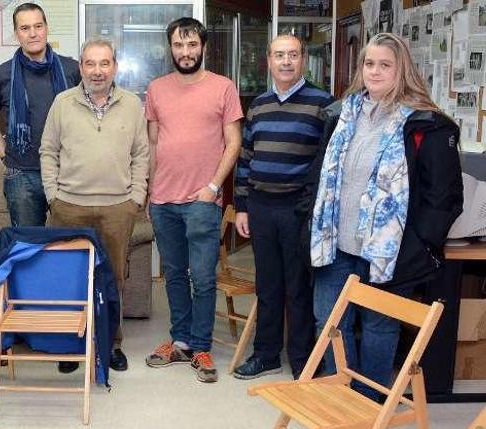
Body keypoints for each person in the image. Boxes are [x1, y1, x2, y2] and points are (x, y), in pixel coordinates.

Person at [303, 32, 463, 400]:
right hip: (334, 246)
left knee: (379, 326)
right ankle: (339, 395)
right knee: (330, 323)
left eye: (385, 65)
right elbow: (319, 176)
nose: (375, 72)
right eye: (369, 63)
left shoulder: (428, 125)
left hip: (389, 254)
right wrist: (308, 222)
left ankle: (368, 400)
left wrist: (420, 246)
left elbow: (445, 197)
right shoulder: (342, 115)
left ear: (401, 69)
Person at [40, 37, 149, 373]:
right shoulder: (62, 102)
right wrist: (52, 195)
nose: (98, 71)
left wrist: (136, 198)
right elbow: (48, 152)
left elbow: (141, 154)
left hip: (118, 208)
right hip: (69, 207)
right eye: (90, 63)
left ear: (115, 67)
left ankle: (111, 344)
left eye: (105, 64)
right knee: (69, 278)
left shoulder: (132, 104)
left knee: (113, 279)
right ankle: (70, 345)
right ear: (81, 67)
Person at [143, 17, 243, 383]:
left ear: (204, 47)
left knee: (202, 277)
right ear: (170, 48)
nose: (186, 53)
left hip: (203, 199)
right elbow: (153, 143)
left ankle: (201, 346)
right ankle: (180, 339)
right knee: (173, 275)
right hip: (163, 200)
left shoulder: (223, 87)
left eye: (192, 45)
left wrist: (214, 187)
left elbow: (233, 143)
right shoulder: (156, 88)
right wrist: (151, 189)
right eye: (179, 46)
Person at [231, 34, 334, 381]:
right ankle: (266, 354)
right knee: (268, 285)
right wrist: (242, 206)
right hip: (260, 206)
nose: (286, 61)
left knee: (299, 287)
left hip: (298, 210)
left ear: (303, 59)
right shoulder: (258, 104)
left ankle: (303, 359)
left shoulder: (324, 104)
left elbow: (327, 164)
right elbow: (245, 158)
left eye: (292, 55)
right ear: (268, 61)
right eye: (279, 55)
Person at [0, 2, 81, 228]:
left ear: (47, 28)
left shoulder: (73, 70)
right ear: (16, 33)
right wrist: (4, 153)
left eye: (38, 26)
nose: (33, 33)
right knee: (29, 247)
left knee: (70, 243)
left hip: (68, 172)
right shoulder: (1, 75)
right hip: (23, 175)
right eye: (25, 28)